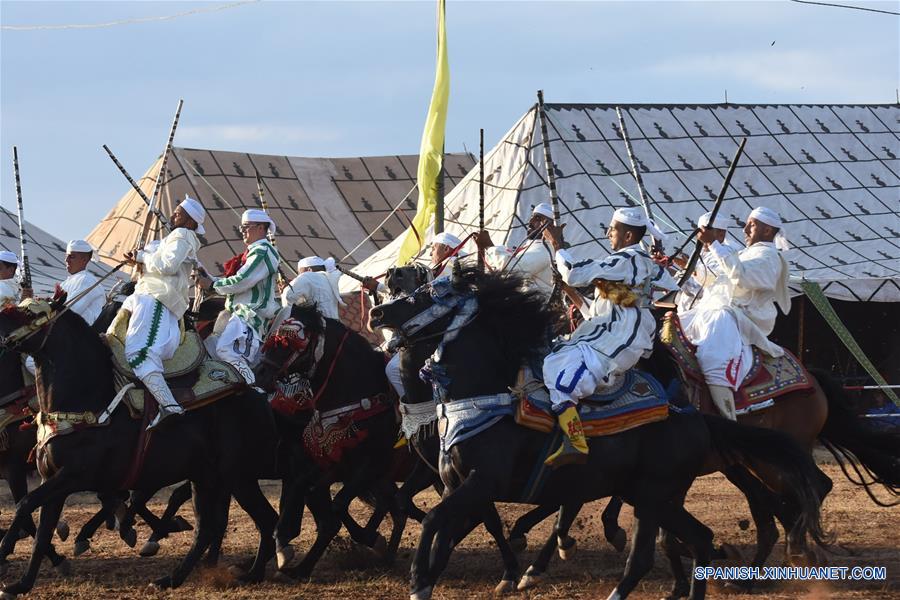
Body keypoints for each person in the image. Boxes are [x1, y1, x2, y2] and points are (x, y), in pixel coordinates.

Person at [541, 207, 677, 467]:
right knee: (554, 359)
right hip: (606, 331)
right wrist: (571, 290)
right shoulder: (624, 268)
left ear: (627, 236)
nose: (607, 234)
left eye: (612, 229)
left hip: (621, 336)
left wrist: (557, 244)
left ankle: (576, 441)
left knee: (567, 374)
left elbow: (574, 271)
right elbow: (596, 310)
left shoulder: (628, 259)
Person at [682, 207, 791, 420]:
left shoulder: (769, 256)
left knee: (712, 355)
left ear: (767, 231)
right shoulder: (744, 253)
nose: (745, 228)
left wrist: (713, 244)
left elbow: (740, 275)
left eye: (752, 224)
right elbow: (716, 278)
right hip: (713, 310)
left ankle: (727, 417)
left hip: (739, 317)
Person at [120, 196, 206, 430]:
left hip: (156, 299)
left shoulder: (184, 235)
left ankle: (170, 405)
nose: (173, 215)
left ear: (190, 221)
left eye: (178, 212)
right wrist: (139, 260)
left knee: (139, 352)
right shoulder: (172, 237)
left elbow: (167, 265)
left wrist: (143, 257)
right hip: (146, 297)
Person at [197, 209, 280, 385]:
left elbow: (243, 280)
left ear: (259, 227)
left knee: (227, 351)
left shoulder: (263, 251)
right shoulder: (252, 252)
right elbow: (236, 281)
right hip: (234, 316)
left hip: (249, 316)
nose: (241, 231)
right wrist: (209, 278)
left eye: (245, 227)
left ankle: (252, 389)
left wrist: (212, 285)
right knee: (206, 351)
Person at [479, 203, 556, 293]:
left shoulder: (545, 250)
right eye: (532, 217)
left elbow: (514, 271)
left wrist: (489, 246)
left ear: (550, 227)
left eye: (538, 219)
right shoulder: (533, 245)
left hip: (535, 305)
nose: (530, 221)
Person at [674, 212, 738, 313]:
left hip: (707, 317)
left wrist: (670, 280)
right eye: (699, 232)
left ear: (721, 234)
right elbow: (689, 274)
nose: (700, 236)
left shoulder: (726, 255)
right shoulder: (702, 250)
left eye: (705, 233)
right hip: (686, 317)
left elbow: (703, 290)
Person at [59, 240, 106, 327]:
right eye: (66, 256)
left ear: (84, 260)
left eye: (71, 257)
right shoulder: (66, 282)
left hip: (79, 336)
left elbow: (71, 311)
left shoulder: (87, 280)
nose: (66, 260)